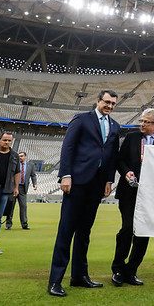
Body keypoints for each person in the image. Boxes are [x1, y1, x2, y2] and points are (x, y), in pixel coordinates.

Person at [48, 90, 121, 297]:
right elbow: (68, 147)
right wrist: (66, 175)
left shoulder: (115, 126)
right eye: (107, 102)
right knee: (66, 231)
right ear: (98, 101)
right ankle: (55, 281)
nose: (110, 106)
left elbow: (112, 156)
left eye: (113, 104)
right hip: (77, 181)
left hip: (97, 185)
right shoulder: (82, 119)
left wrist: (109, 180)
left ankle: (79, 276)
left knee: (84, 232)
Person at [111, 108, 154, 287]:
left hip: (150, 195)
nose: (142, 124)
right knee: (127, 228)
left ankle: (132, 270)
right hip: (129, 191)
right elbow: (119, 160)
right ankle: (118, 269)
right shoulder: (131, 137)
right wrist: (127, 172)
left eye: (147, 122)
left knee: (144, 232)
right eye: (141, 121)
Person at [4, 151, 37, 230]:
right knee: (11, 206)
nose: (20, 157)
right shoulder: (14, 164)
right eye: (19, 156)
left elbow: (33, 175)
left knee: (23, 206)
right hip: (13, 187)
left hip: (23, 188)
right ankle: (8, 224)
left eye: (22, 156)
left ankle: (24, 224)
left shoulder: (31, 165)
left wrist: (34, 184)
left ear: (25, 157)